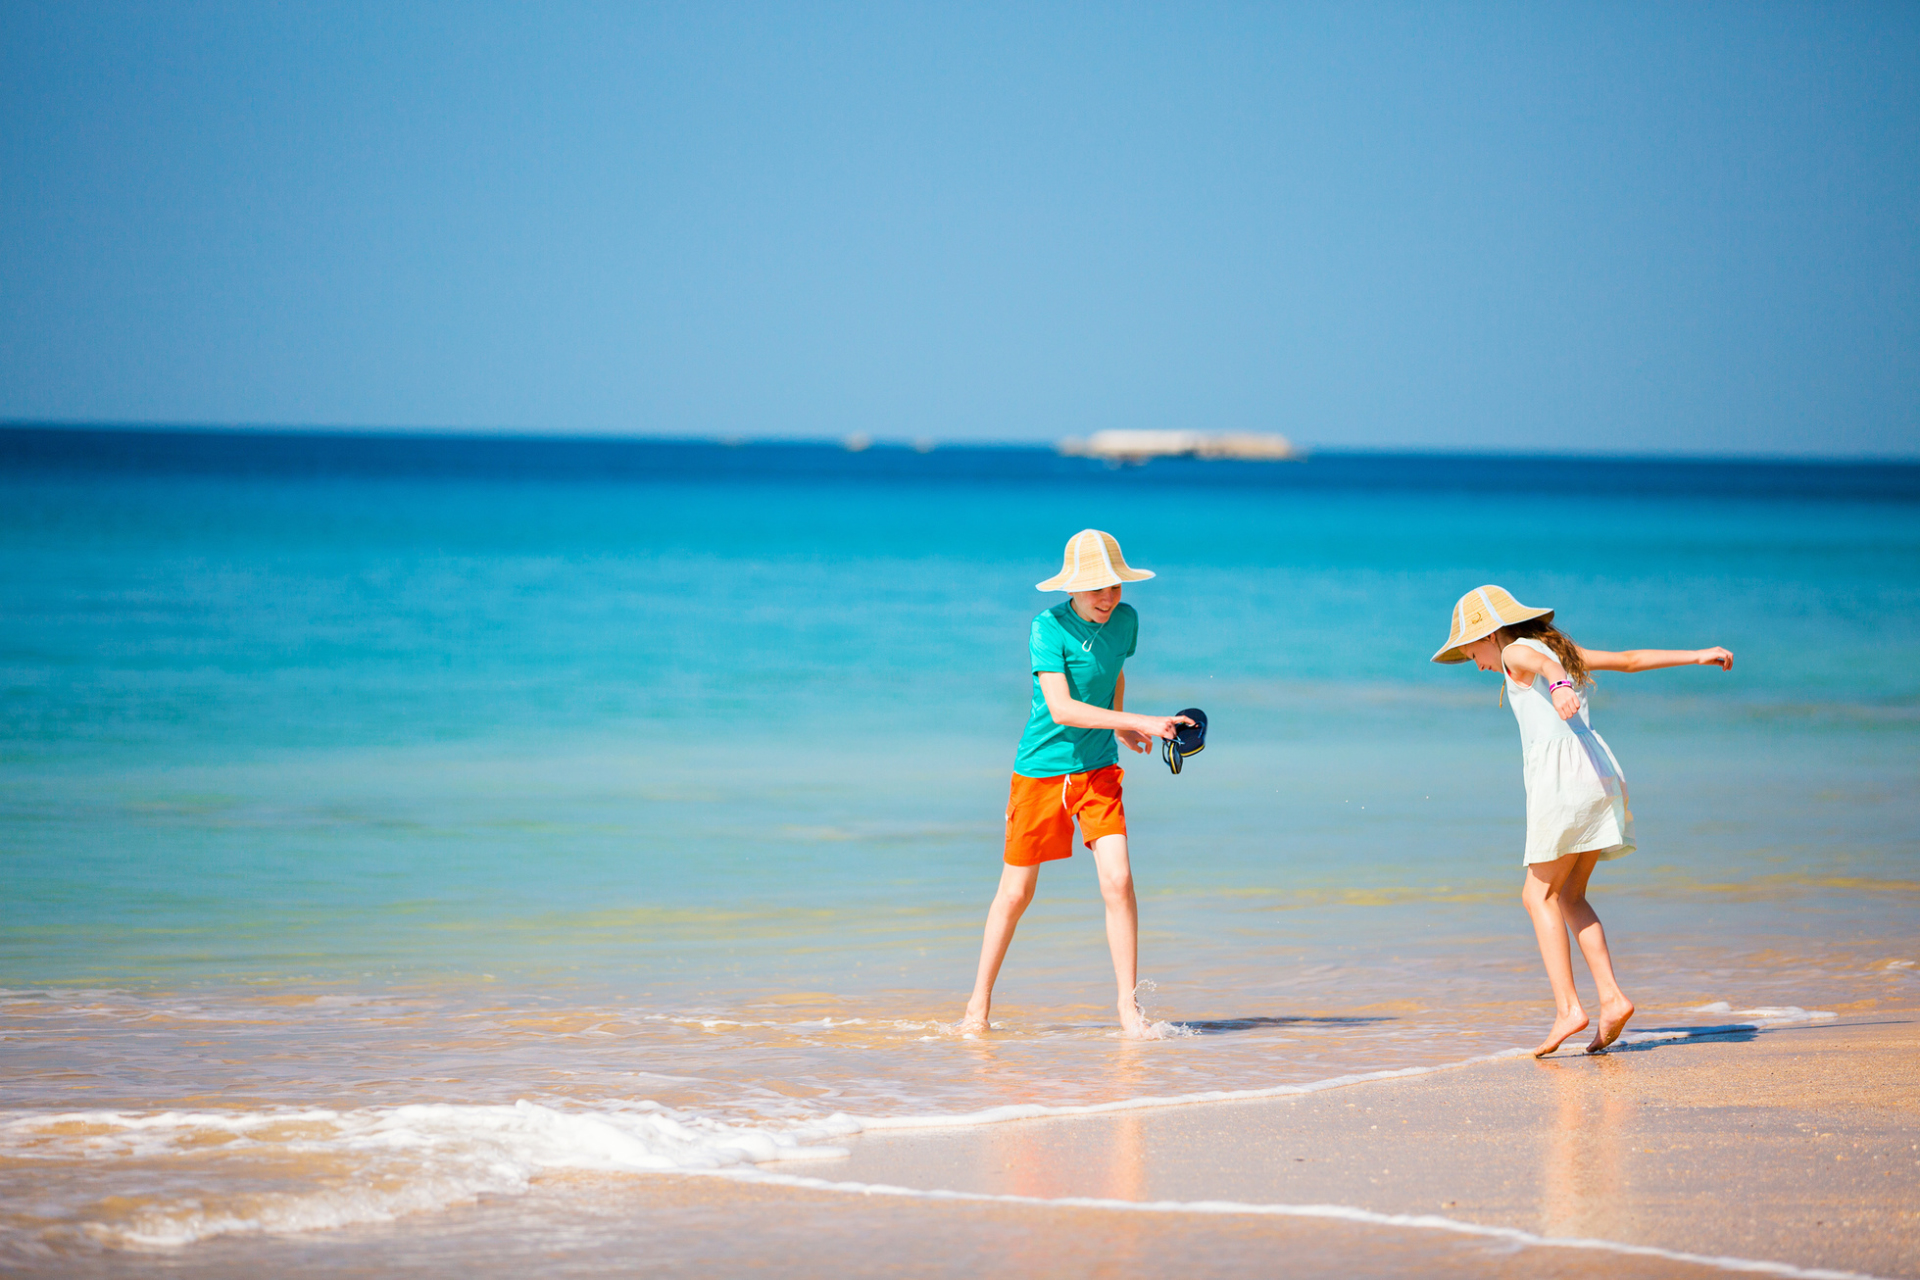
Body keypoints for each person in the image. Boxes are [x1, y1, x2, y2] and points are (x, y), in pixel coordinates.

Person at [1432, 585, 1733, 1057]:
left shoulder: (1517, 651)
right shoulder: (1558, 646)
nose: (1475, 661)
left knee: (1537, 896)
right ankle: (1612, 998)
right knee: (1570, 895)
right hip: (1600, 776)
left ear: (1488, 634)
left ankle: (1569, 1008)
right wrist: (1697, 655)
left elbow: (1545, 670)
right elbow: (1630, 659)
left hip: (1564, 783)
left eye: (1471, 649)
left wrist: (1559, 686)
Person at [959, 530, 1193, 1040]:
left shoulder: (1126, 620)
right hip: (1041, 770)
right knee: (1017, 892)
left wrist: (1123, 727)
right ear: (1072, 589)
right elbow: (1062, 707)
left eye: (1113, 586)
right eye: (1095, 589)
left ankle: (1128, 1010)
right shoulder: (1047, 628)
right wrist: (1144, 720)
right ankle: (977, 1006)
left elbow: (1113, 675)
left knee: (1119, 881)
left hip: (1097, 770)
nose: (1107, 598)